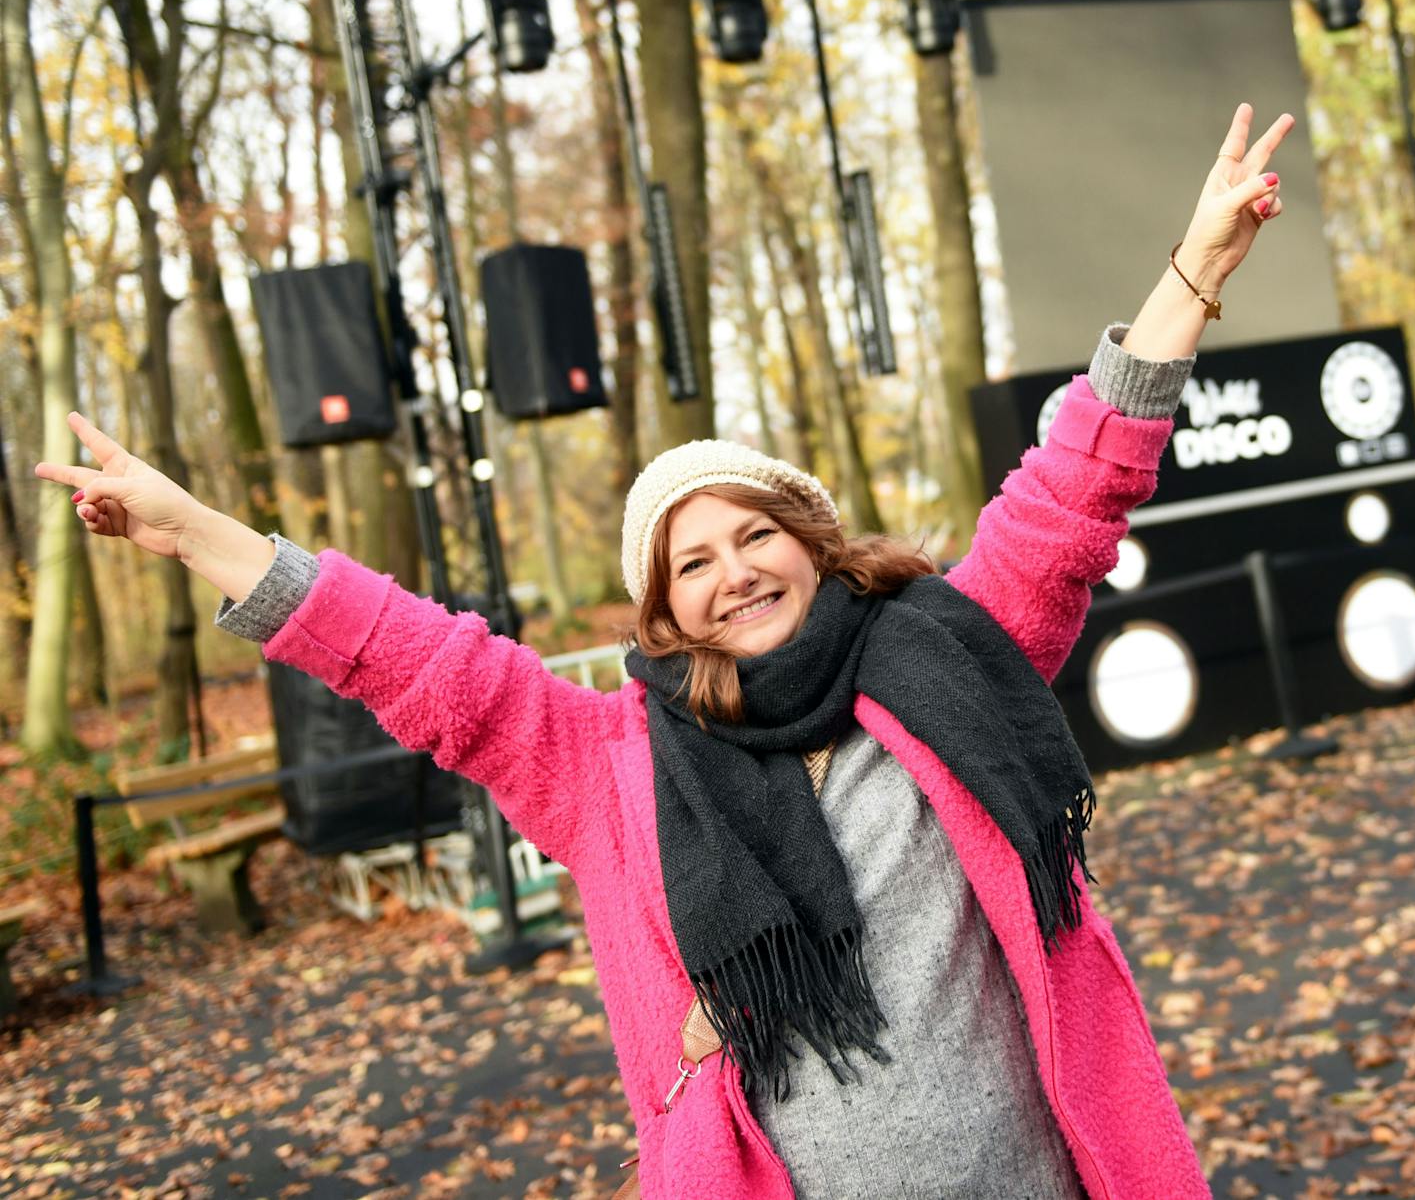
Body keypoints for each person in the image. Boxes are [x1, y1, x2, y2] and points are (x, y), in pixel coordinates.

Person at [38, 103, 1292, 1199]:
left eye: (754, 534)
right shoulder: (606, 764)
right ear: (664, 612)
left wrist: (1189, 275)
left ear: (812, 542)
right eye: (690, 562)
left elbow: (1069, 496)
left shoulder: (944, 651)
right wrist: (196, 532)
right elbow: (413, 659)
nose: (732, 570)